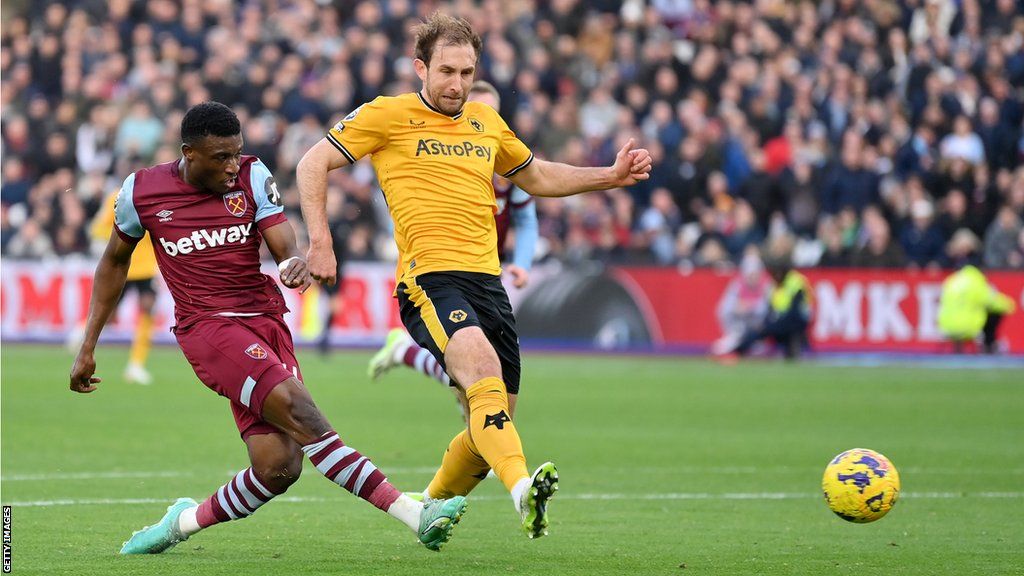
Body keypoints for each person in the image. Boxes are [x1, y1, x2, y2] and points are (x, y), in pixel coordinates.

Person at [296, 13, 652, 539]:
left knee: (489, 423)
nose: (458, 84)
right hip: (430, 280)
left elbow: (537, 175)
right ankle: (523, 491)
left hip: (489, 285)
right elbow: (312, 162)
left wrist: (611, 176)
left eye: (467, 72)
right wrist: (320, 244)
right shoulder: (387, 115)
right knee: (482, 371)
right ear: (420, 67)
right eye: (446, 71)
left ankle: (428, 509)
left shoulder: (486, 122)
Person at [69, 102, 467, 555]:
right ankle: (416, 515)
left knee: (279, 466)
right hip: (209, 329)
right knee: (303, 412)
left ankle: (178, 523)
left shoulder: (253, 177)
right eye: (220, 157)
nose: (231, 165)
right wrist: (88, 346)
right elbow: (113, 265)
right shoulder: (141, 192)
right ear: (189, 154)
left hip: (266, 323)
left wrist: (293, 263)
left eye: (236, 153)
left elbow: (282, 241)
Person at [367, 80, 540, 420]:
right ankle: (488, 448)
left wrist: (522, 263)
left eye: (491, 110)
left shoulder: (504, 156)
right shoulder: (436, 155)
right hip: (434, 265)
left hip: (484, 267)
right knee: (471, 364)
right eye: (478, 107)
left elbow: (527, 217)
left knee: (481, 368)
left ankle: (405, 353)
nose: (483, 115)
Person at [66, 188, 161, 385]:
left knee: (148, 308)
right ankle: (81, 331)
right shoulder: (118, 197)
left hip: (147, 267)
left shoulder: (157, 195)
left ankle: (136, 365)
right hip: (123, 264)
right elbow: (97, 228)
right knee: (110, 315)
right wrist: (119, 233)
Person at [938, 229, 1016, 353]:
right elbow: (991, 301)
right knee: (993, 312)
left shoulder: (951, 280)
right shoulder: (976, 280)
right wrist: (1010, 304)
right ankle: (989, 344)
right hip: (968, 327)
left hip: (946, 326)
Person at [718, 260, 814, 360]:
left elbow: (795, 311)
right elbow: (771, 307)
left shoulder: (795, 283)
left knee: (765, 330)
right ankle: (738, 350)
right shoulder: (775, 283)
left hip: (797, 320)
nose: (775, 275)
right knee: (763, 328)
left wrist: (773, 323)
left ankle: (738, 351)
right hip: (783, 319)